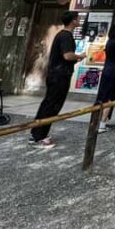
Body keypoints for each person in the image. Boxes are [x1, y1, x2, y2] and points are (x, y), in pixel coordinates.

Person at [29, 11, 86, 147]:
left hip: (56, 74)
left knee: (48, 103)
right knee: (52, 105)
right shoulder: (66, 36)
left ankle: (37, 133)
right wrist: (80, 56)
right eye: (78, 19)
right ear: (73, 21)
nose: (79, 21)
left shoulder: (62, 35)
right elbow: (67, 55)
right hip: (60, 76)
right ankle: (39, 136)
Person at [94, 23, 115, 133]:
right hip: (114, 71)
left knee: (103, 95)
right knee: (110, 97)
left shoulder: (109, 41)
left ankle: (97, 120)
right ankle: (102, 123)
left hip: (107, 69)